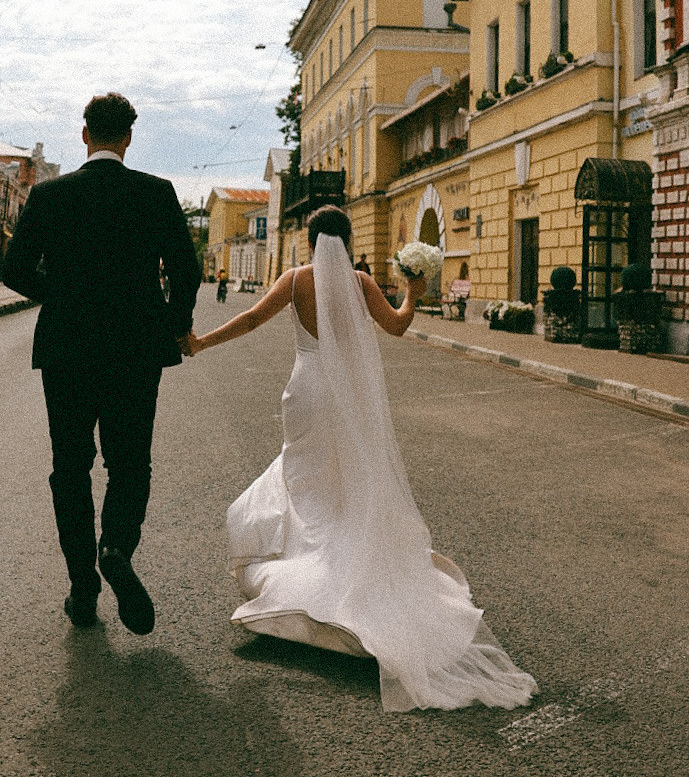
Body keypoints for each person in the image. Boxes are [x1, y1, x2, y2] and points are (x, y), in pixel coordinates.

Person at [186, 205, 537, 713]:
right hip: (348, 393)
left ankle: (302, 569)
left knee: (305, 479)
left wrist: (200, 343)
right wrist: (415, 291)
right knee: (350, 478)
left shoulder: (295, 278)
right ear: (349, 242)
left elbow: (251, 318)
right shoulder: (361, 283)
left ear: (309, 242)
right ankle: (344, 566)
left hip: (307, 389)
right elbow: (395, 328)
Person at [3, 93, 201, 635]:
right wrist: (173, 322)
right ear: (129, 138)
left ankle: (81, 587)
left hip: (66, 348)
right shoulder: (156, 195)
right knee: (130, 462)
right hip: (137, 350)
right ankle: (115, 547)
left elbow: (12, 268)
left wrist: (59, 295)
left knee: (70, 469)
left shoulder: (49, 195)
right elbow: (188, 268)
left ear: (84, 134)